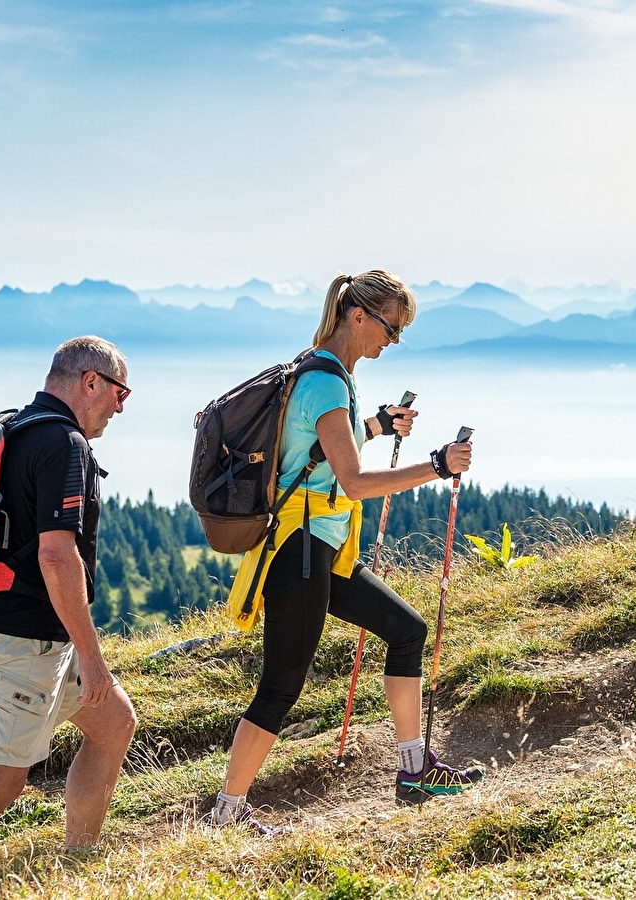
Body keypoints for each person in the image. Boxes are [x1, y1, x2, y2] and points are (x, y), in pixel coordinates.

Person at [206, 270, 483, 835]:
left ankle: (413, 769)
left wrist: (378, 424)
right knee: (281, 686)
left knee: (406, 630)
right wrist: (435, 465)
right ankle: (226, 813)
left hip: (322, 547)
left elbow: (322, 450)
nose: (395, 340)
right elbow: (353, 482)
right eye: (392, 326)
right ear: (359, 317)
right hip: (299, 549)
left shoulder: (330, 376)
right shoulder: (326, 382)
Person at [0, 336, 139, 891]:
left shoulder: (16, 428)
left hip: (2, 619)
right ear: (91, 381)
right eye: (119, 392)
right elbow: (56, 555)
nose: (120, 406)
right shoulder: (65, 445)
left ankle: (79, 860)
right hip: (25, 638)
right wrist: (92, 657)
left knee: (113, 724)